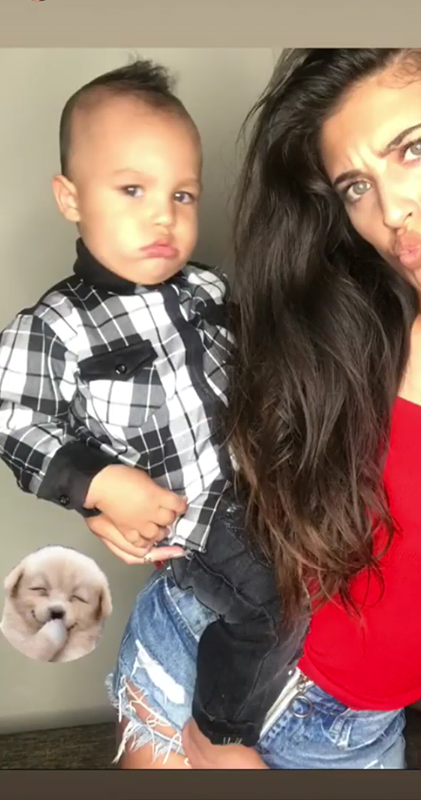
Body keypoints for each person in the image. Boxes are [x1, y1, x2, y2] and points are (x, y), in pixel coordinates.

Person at [89, 47, 421, 771]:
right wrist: (97, 488)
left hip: (352, 736)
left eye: (415, 148)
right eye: (357, 186)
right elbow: (154, 405)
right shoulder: (333, 324)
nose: (392, 211)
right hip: (200, 658)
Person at [0, 59, 308, 753]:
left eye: (183, 194)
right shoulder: (56, 326)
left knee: (344, 559)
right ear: (70, 197)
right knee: (270, 605)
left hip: (262, 486)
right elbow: (14, 419)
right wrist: (99, 485)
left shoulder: (207, 290)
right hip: (191, 516)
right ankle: (220, 730)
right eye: (132, 189)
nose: (163, 215)